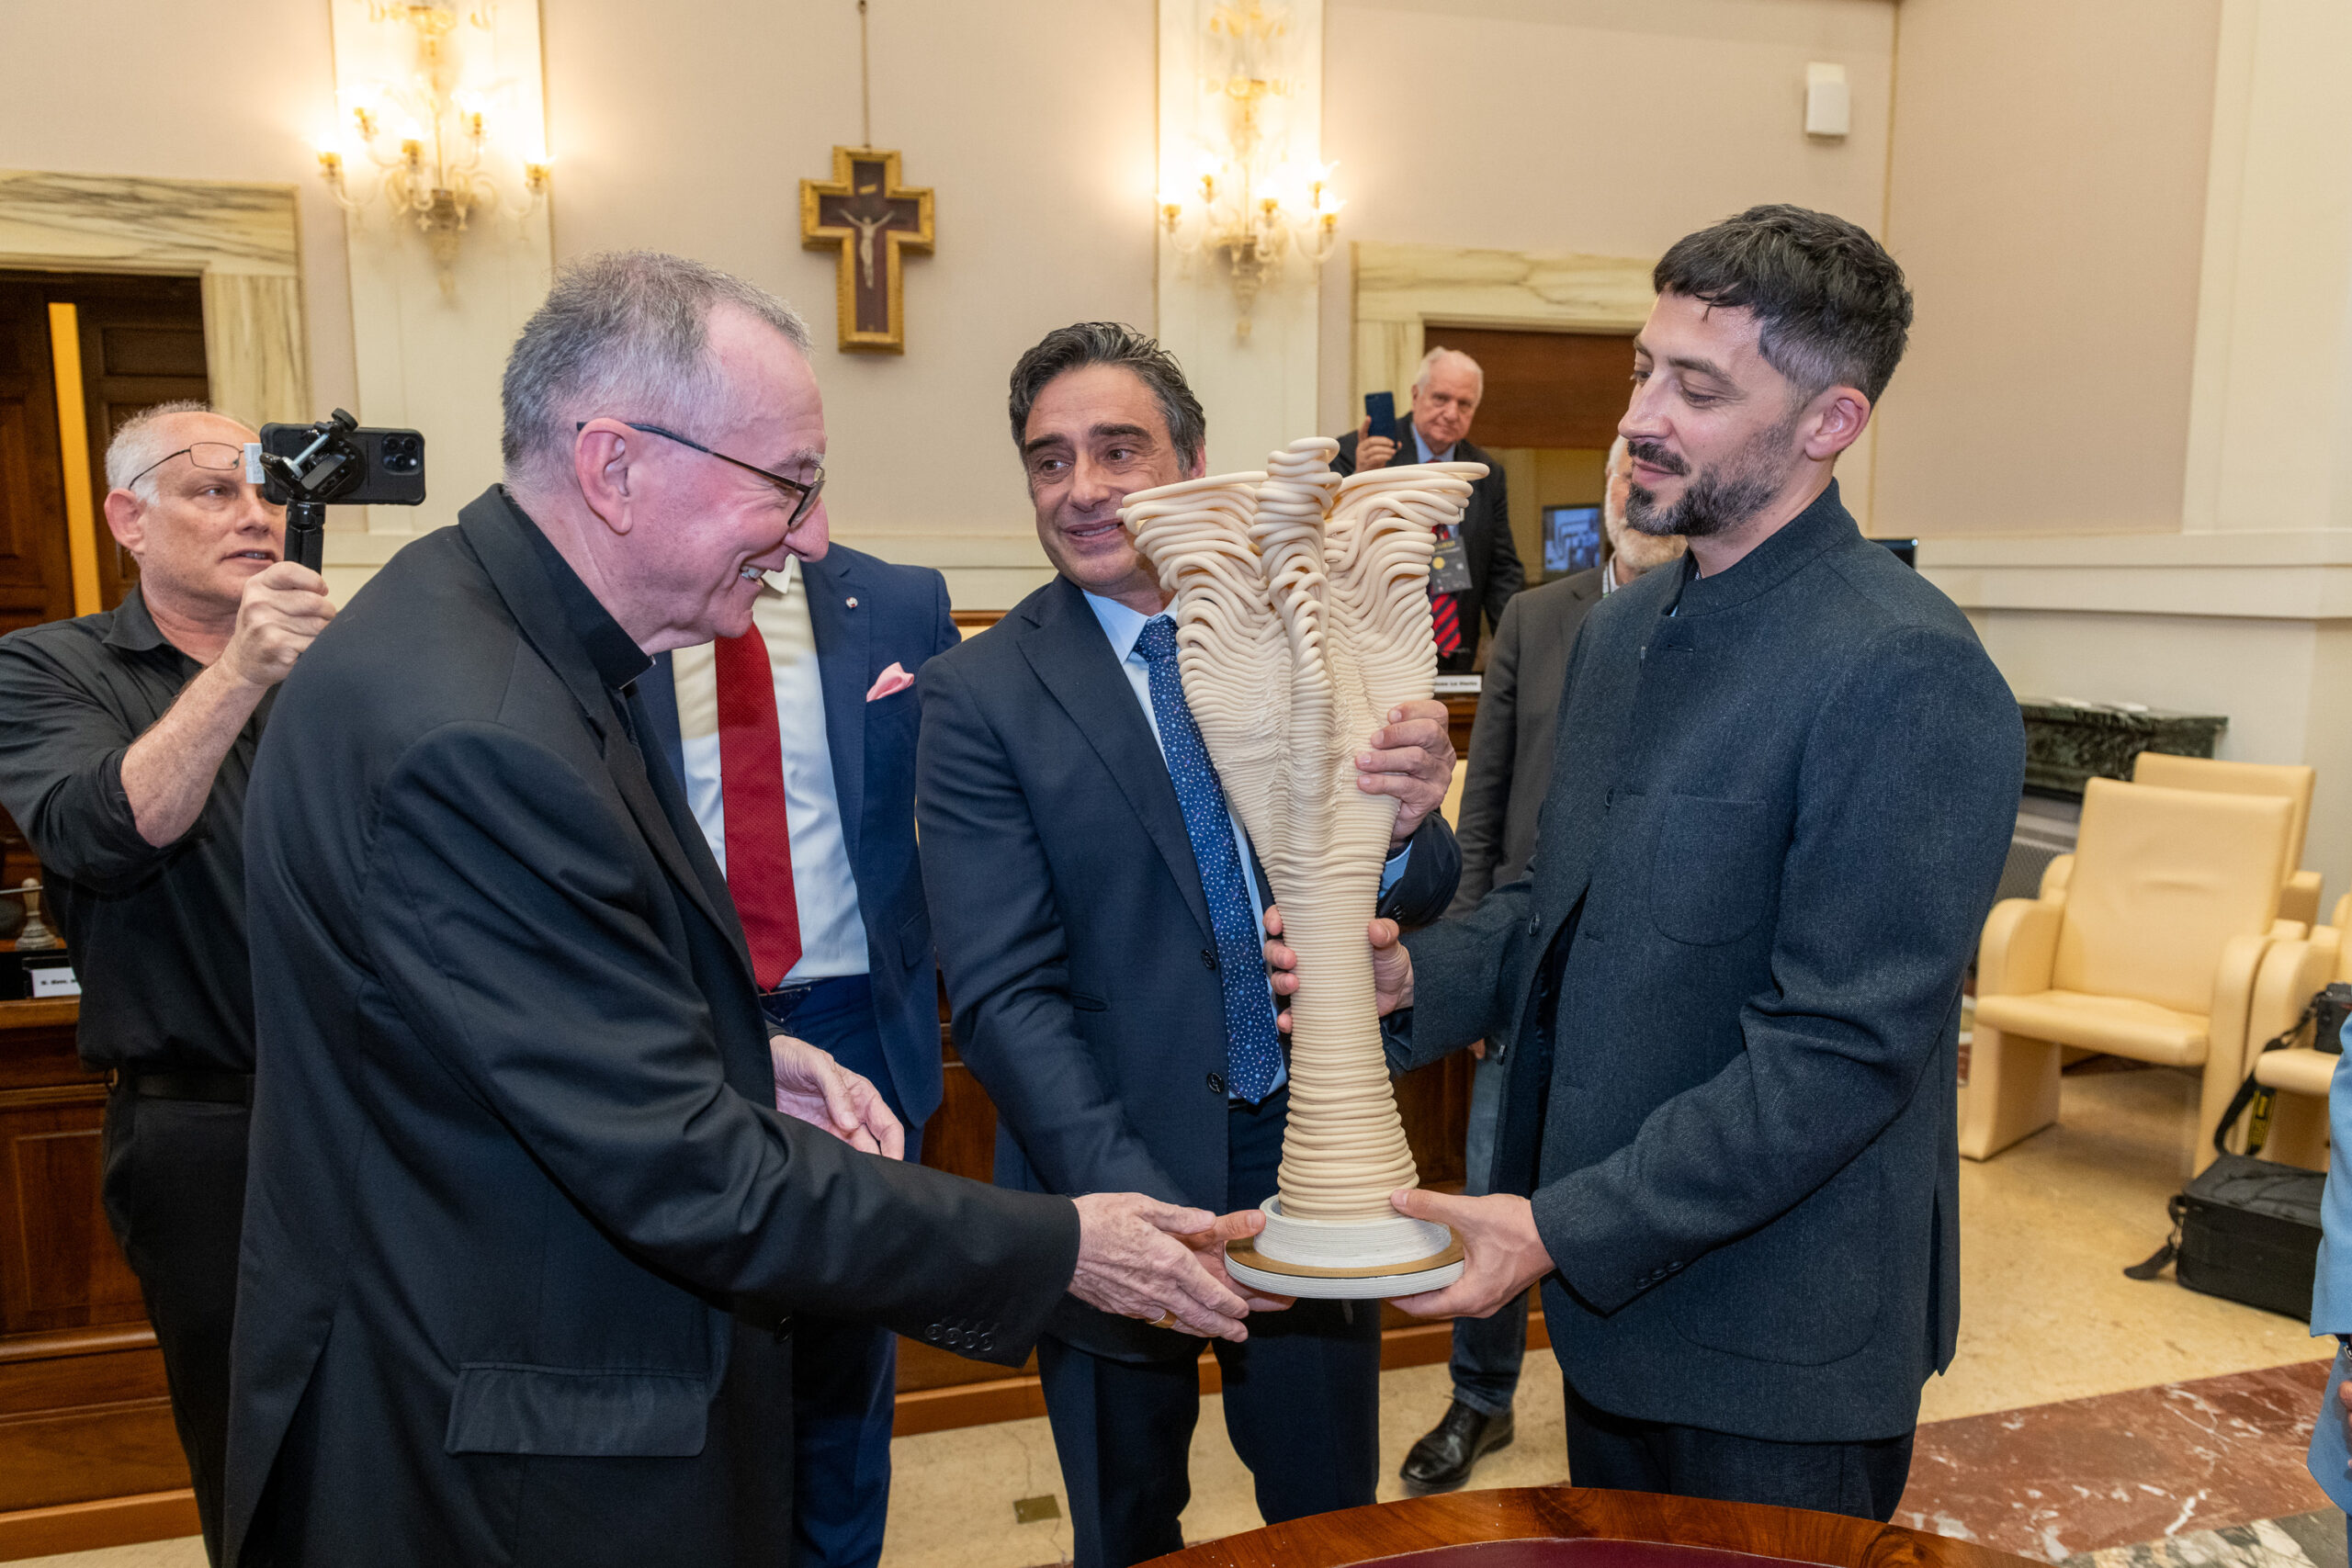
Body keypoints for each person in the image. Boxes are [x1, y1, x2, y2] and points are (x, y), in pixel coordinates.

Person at [224, 255, 1265, 1568]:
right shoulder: (474, 729)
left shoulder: (495, 631)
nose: (814, 536)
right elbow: (686, 1170)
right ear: (615, 467)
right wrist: (1062, 1239)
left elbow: (510, 1009)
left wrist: (736, 1047)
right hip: (495, 1441)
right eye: (788, 483)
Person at [1272, 206, 2025, 1520]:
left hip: (1784, 1348)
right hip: (1618, 1312)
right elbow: (1548, 914)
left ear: (1828, 424)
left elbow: (1840, 1055)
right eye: (1642, 368)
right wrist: (1412, 987)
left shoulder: (1907, 665)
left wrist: (1554, 1227)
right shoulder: (1619, 638)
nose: (1641, 418)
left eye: (1699, 386)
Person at [916, 321, 1463, 1568]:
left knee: (1334, 1526)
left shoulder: (1313, 633)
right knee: (1125, 1531)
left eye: (1120, 447)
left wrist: (1407, 819)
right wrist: (1141, 1219)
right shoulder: (982, 693)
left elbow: (1424, 883)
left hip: (1311, 1165)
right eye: (1049, 459)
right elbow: (1004, 995)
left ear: (1195, 458)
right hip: (1109, 1188)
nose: (1084, 486)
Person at [0, 402, 335, 1564]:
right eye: (214, 491)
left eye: (268, 492)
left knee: (416, 1439)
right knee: (263, 1459)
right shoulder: (50, 667)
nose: (256, 516)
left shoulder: (341, 672)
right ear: (126, 517)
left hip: (387, 1111)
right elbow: (107, 831)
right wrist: (244, 668)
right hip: (210, 1131)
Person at [633, 491, 956, 1568]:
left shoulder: (899, 602)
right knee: (688, 1358)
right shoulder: (631, 603)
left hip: (854, 1016)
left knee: (843, 1371)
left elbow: (958, 799)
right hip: (680, 1023)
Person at [1399, 434, 1686, 1494]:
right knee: (1493, 1188)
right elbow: (1486, 804)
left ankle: (1616, 1411)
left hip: (1643, 979)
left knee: (1617, 1196)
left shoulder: (1716, 625)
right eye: (1621, 470)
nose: (1636, 487)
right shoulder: (1537, 618)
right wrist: (1469, 962)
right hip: (1519, 959)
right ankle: (1479, 1402)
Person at [1334, 347, 1522, 673]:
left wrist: (1521, 650)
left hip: (1455, 655)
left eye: (1464, 404)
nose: (1451, 413)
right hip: (1376, 649)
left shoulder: (1485, 472)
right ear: (1416, 395)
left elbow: (1501, 570)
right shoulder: (1357, 453)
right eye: (1440, 398)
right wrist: (1360, 480)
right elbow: (1329, 544)